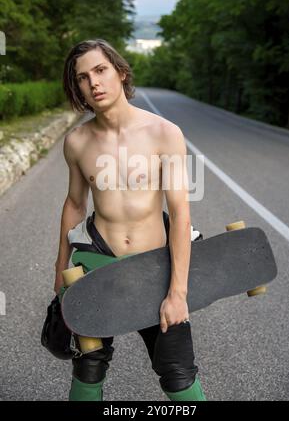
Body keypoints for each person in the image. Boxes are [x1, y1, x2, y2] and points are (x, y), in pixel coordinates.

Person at [54, 38, 206, 401]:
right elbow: (75, 204)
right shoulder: (77, 142)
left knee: (178, 373)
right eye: (82, 78)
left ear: (121, 73)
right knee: (89, 367)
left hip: (153, 267)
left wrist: (177, 292)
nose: (93, 83)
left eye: (101, 70)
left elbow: (181, 213)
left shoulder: (164, 134)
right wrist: (60, 274)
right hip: (97, 264)